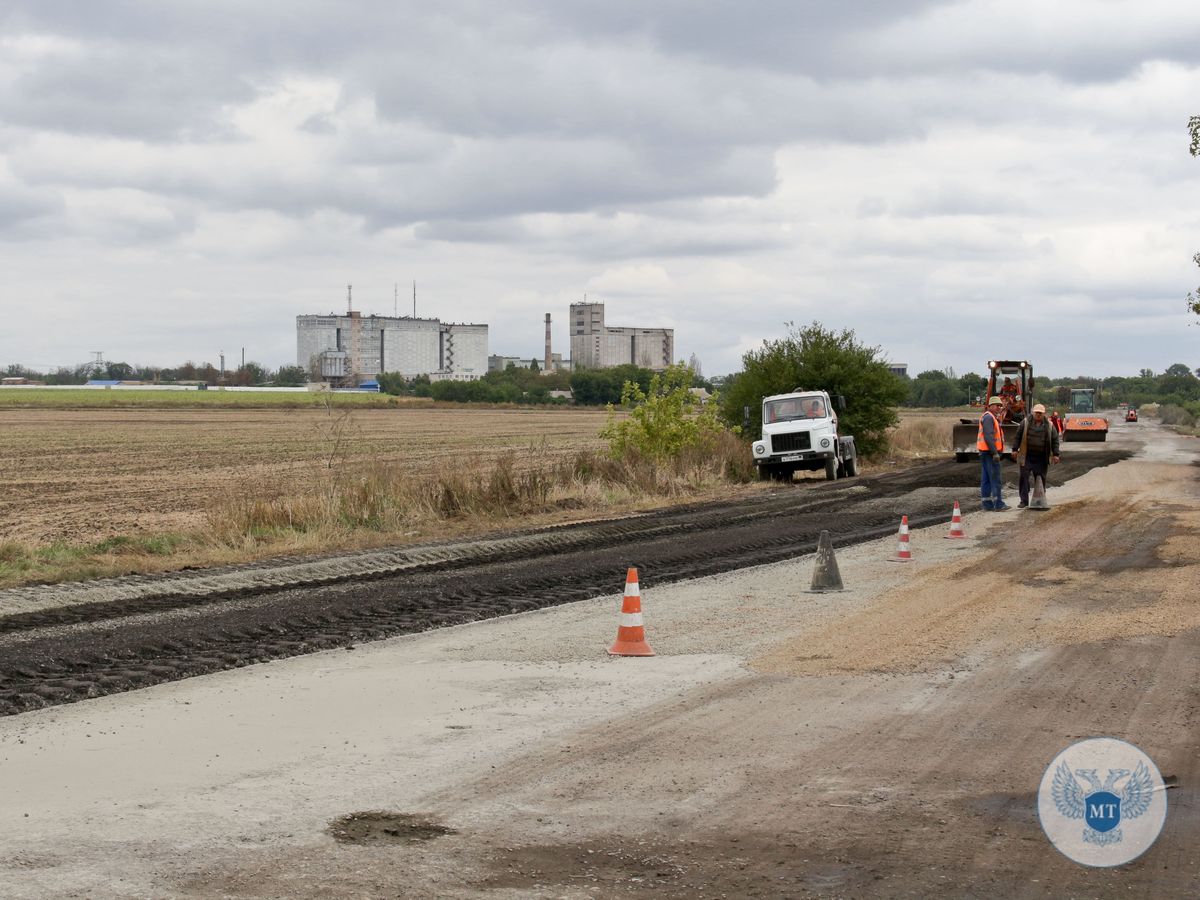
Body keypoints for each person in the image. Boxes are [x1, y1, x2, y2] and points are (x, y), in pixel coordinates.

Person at [1013, 403, 1061, 508]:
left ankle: (1040, 499)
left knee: (1041, 478)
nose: (1038, 415)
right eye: (1037, 413)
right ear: (1033, 413)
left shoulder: (1050, 425)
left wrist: (1056, 454)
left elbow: (1055, 440)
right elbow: (1017, 436)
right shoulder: (1025, 423)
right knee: (1023, 477)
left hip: (1041, 457)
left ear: (1044, 414)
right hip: (1027, 456)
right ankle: (1023, 501)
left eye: (1040, 413)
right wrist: (1015, 449)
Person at [977, 396, 1010, 511]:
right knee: (995, 478)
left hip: (985, 452)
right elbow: (988, 436)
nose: (999, 408)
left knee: (986, 479)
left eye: (1000, 406)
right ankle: (998, 504)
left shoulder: (990, 417)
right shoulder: (989, 418)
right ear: (990, 406)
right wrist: (995, 453)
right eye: (997, 405)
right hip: (990, 453)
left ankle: (987, 504)